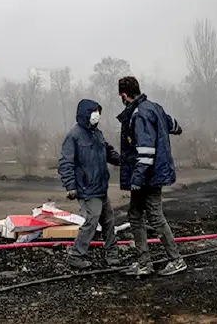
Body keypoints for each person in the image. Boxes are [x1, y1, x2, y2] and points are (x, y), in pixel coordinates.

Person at [116, 76, 186, 276]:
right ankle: (144, 263)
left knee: (155, 216)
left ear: (123, 95)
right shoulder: (155, 108)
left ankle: (176, 259)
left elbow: (146, 152)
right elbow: (175, 126)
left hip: (149, 175)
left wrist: (137, 179)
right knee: (135, 215)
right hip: (151, 173)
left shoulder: (139, 115)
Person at [58, 99, 122, 269]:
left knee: (108, 220)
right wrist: (70, 186)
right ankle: (76, 255)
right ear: (86, 114)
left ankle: (112, 254)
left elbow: (108, 151)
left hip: (101, 187)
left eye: (98, 111)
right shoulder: (74, 136)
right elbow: (66, 163)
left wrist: (122, 160)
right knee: (92, 221)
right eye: (94, 111)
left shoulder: (97, 134)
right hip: (86, 188)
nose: (97, 115)